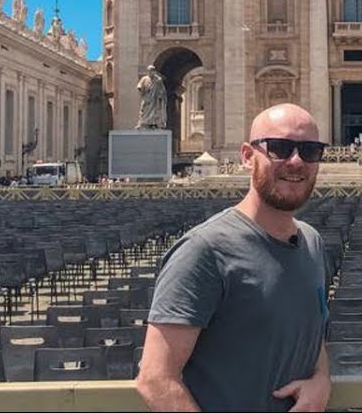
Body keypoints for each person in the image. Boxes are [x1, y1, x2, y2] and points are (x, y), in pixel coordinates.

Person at [137, 103, 332, 412]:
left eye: (310, 150)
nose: (296, 161)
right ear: (246, 156)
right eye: (280, 148)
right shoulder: (203, 250)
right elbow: (155, 379)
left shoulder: (312, 243)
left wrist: (321, 378)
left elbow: (309, 332)